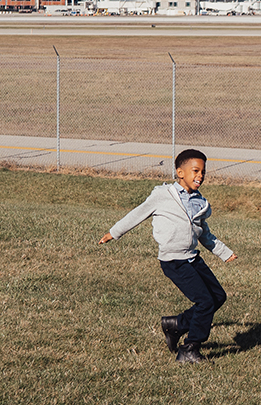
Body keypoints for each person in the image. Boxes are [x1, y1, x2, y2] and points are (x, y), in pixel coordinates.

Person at [98, 148, 237, 364]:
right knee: (205, 302)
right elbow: (137, 214)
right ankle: (189, 349)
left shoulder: (199, 202)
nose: (200, 176)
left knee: (218, 297)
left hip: (192, 258)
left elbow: (204, 233)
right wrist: (113, 233)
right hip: (173, 261)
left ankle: (177, 325)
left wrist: (223, 252)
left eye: (203, 172)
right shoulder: (162, 196)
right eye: (195, 171)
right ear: (180, 173)